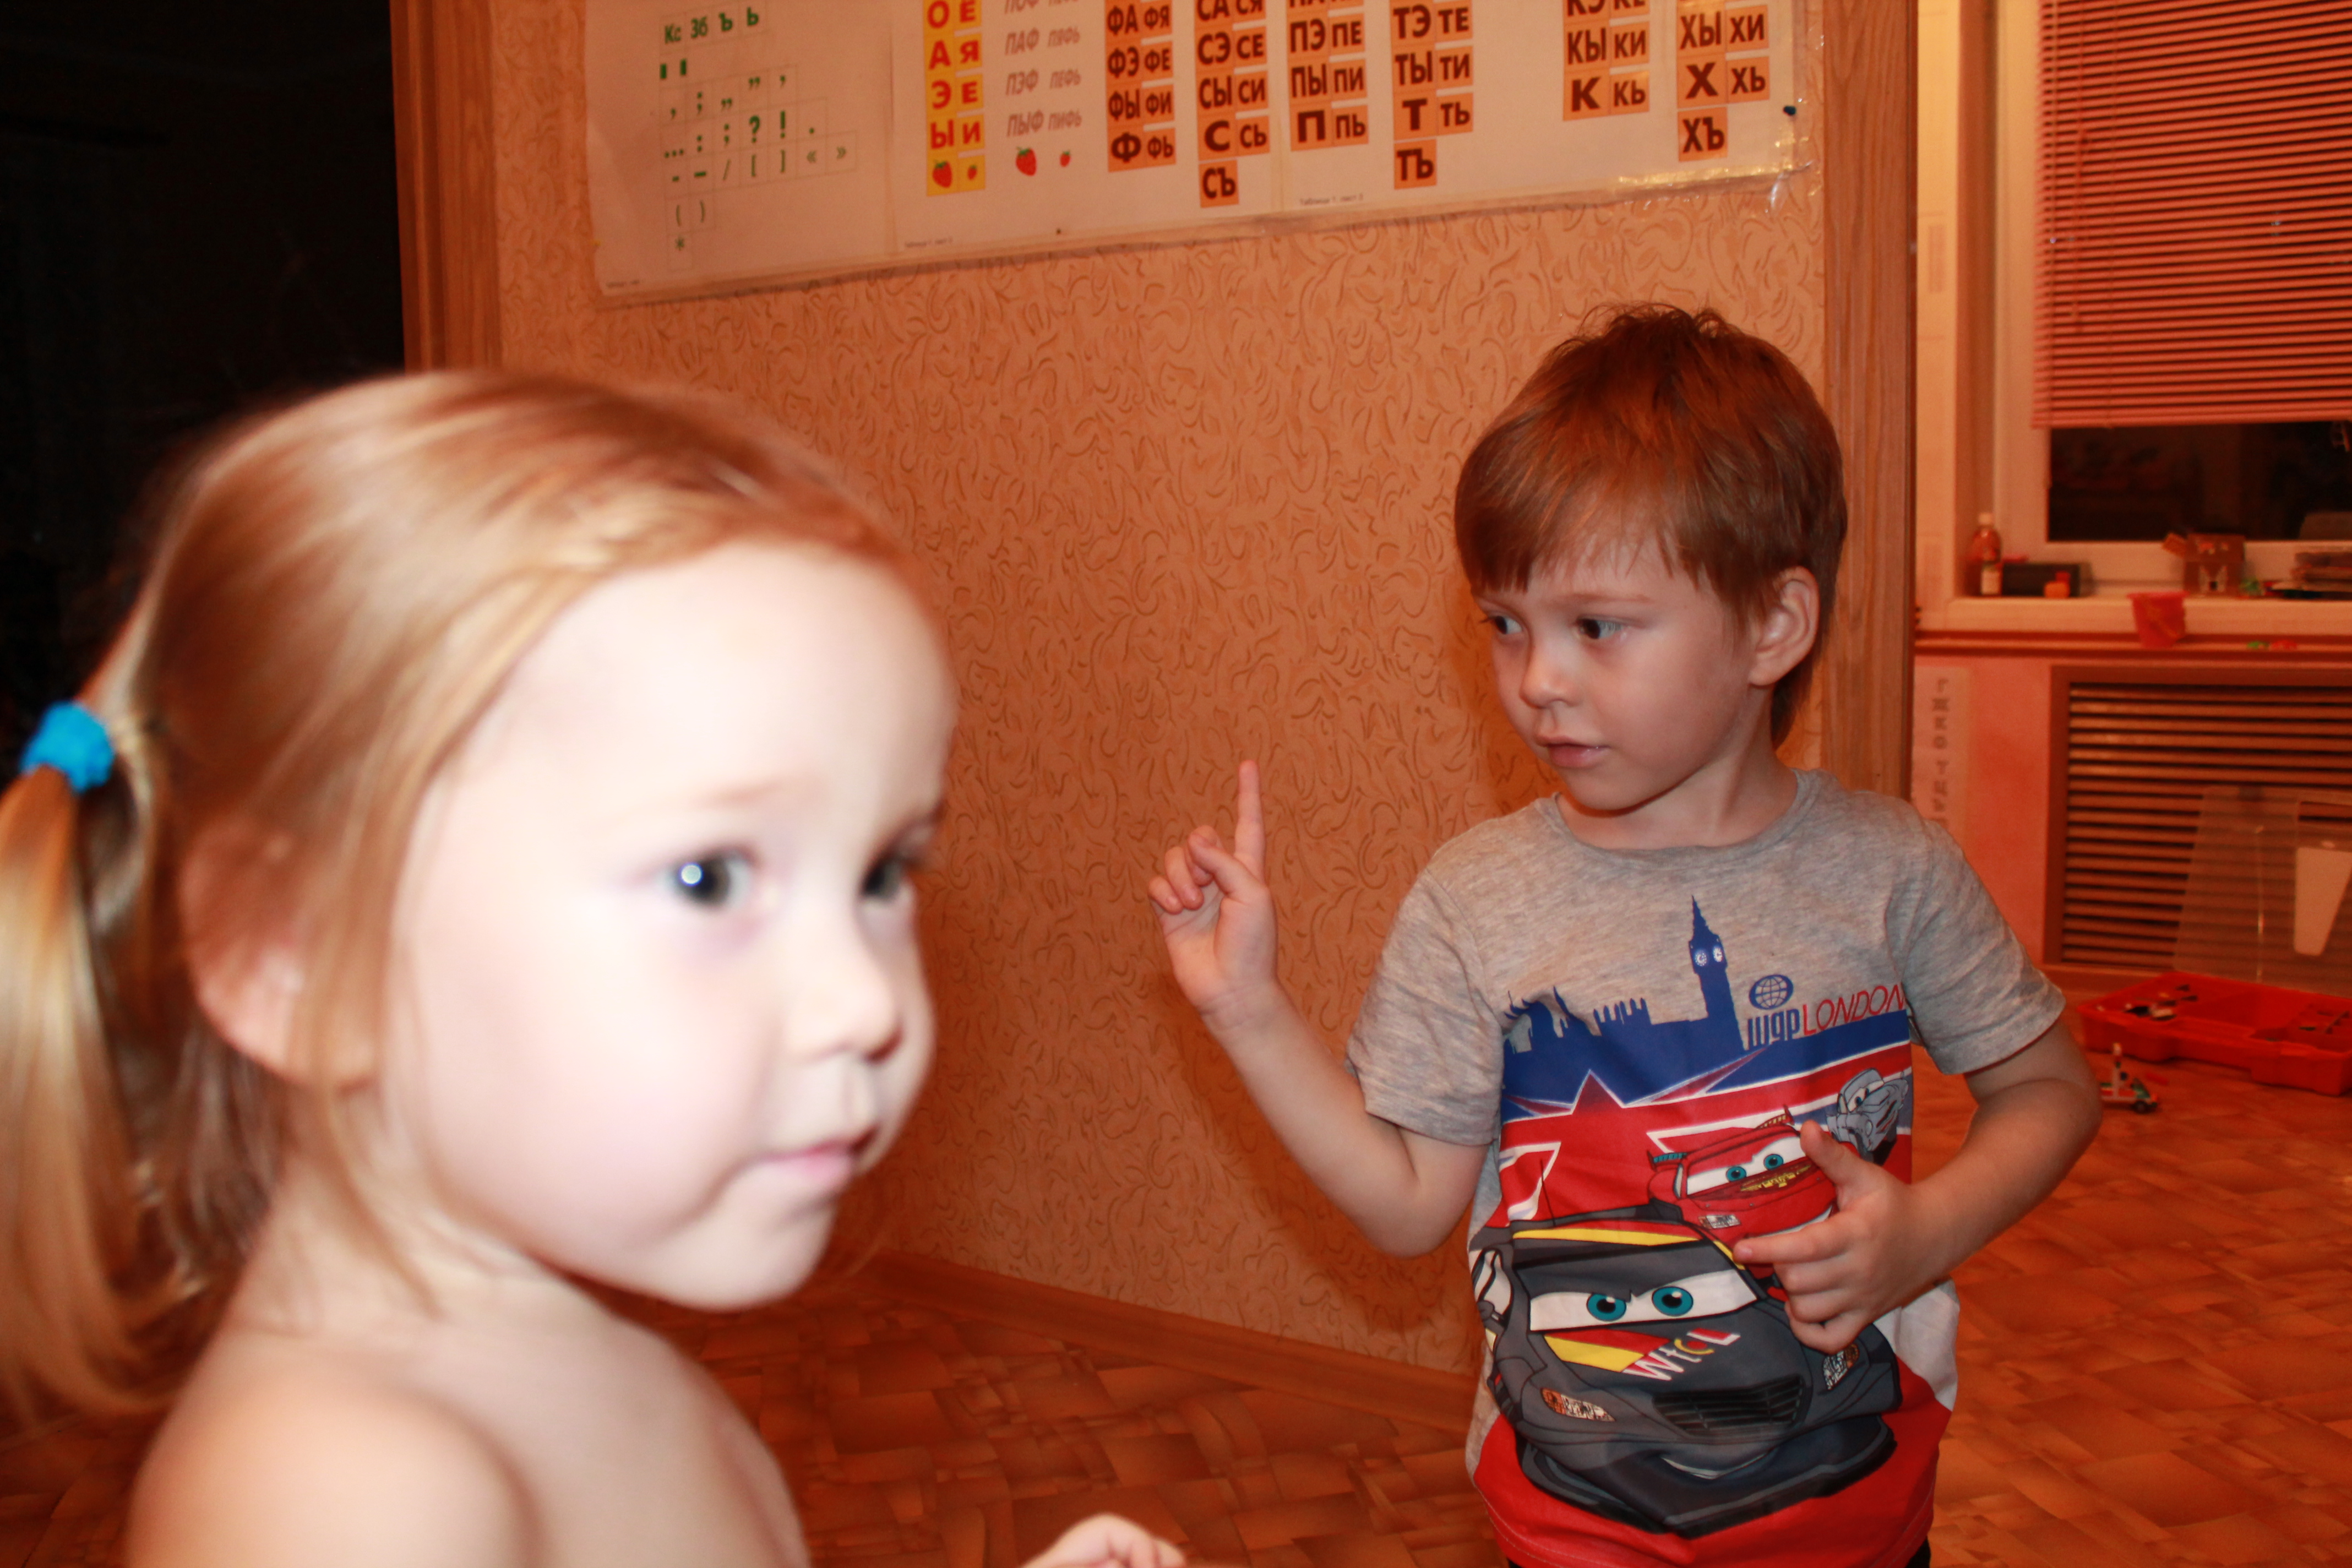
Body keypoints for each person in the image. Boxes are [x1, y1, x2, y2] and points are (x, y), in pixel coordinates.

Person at [0, 373, 1180, 1568]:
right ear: (292, 955)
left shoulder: (600, 1361)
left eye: (883, 873)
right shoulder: (340, 1504)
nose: (867, 1002)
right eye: (708, 878)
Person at [1148, 306, 2099, 1568]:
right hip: (1573, 1534)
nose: (1538, 677)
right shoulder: (1476, 897)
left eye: (1596, 625)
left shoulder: (1892, 870)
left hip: (1860, 1520)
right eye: (1506, 622)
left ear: (1774, 625)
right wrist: (1248, 1010)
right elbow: (1406, 1206)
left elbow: (2052, 1089)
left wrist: (1929, 1230)